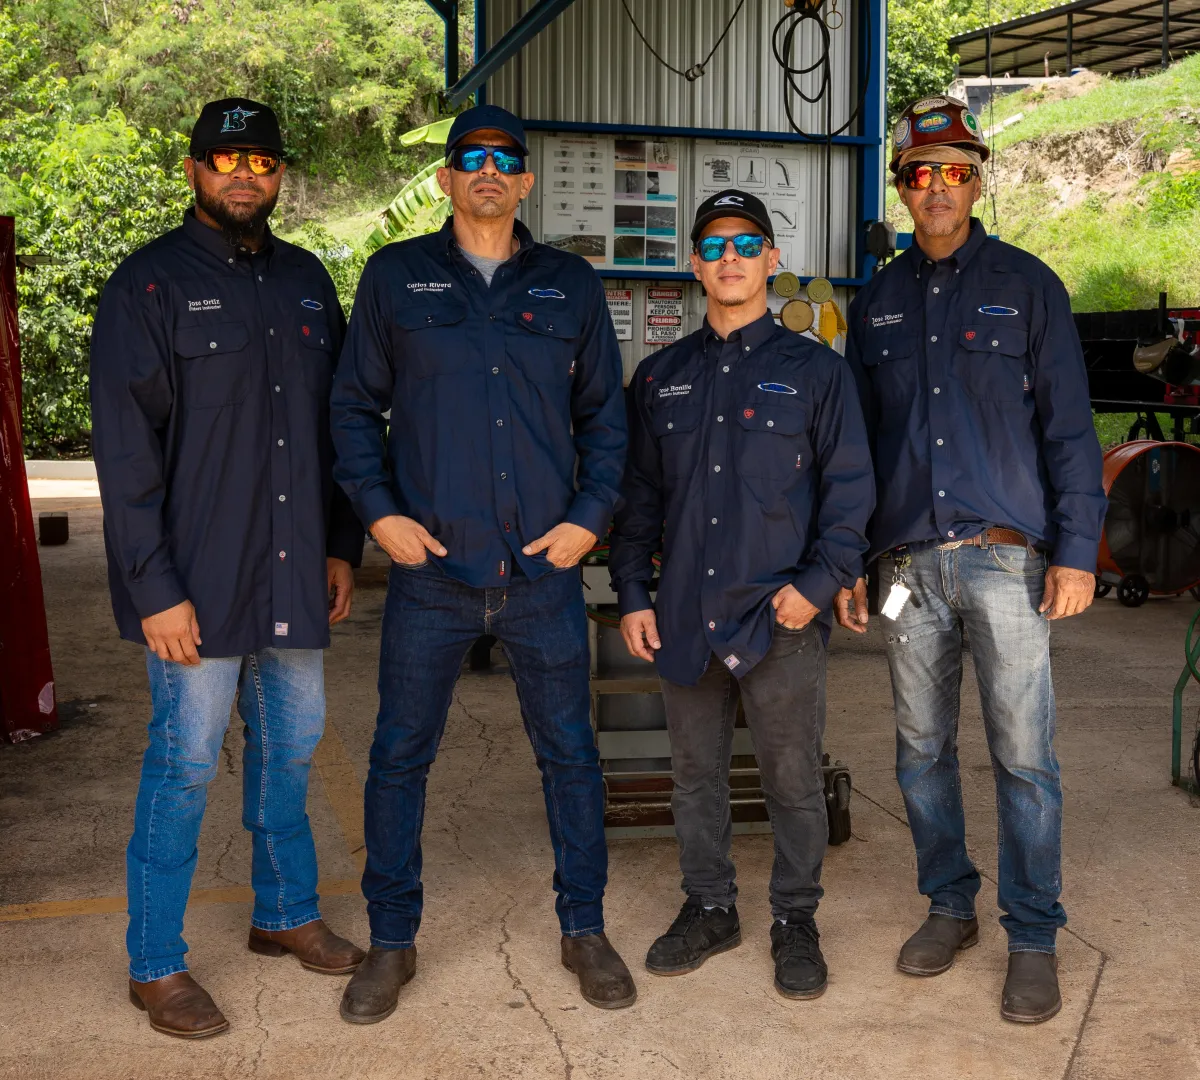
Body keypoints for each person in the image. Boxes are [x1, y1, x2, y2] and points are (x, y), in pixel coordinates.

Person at [330, 103, 633, 1022]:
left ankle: (584, 928)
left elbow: (605, 423)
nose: (489, 171)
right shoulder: (396, 279)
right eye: (472, 158)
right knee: (397, 760)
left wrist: (589, 520)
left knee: (572, 759)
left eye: (506, 159)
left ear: (526, 180)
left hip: (543, 577)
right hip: (432, 577)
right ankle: (392, 943)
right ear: (448, 177)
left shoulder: (570, 288)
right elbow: (351, 413)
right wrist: (381, 519)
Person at [90, 98, 366, 1039]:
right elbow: (126, 455)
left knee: (291, 749)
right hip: (196, 588)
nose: (244, 173)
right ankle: (155, 965)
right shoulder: (148, 287)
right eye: (225, 158)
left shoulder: (305, 283)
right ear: (193, 169)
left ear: (280, 175)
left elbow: (338, 430)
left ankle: (282, 914)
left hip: (294, 576)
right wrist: (154, 588)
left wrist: (341, 545)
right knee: (185, 764)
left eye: (261, 160)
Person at [836, 95, 1106, 1023]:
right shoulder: (874, 304)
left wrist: (1077, 552)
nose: (938, 187)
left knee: (1024, 757)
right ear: (904, 188)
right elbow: (858, 451)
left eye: (956, 170)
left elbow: (1070, 430)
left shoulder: (1029, 286)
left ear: (979, 179)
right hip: (908, 568)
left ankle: (1032, 931)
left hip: (1006, 565)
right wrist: (850, 561)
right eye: (921, 172)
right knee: (919, 753)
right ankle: (950, 905)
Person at [609, 190, 874, 1000]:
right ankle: (710, 905)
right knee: (696, 776)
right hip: (687, 614)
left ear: (770, 260)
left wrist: (817, 587)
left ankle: (796, 918)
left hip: (780, 618)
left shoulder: (817, 373)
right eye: (715, 245)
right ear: (695, 264)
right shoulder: (660, 377)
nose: (730, 258)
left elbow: (851, 493)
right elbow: (639, 499)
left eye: (747, 243)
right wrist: (632, 593)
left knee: (792, 781)